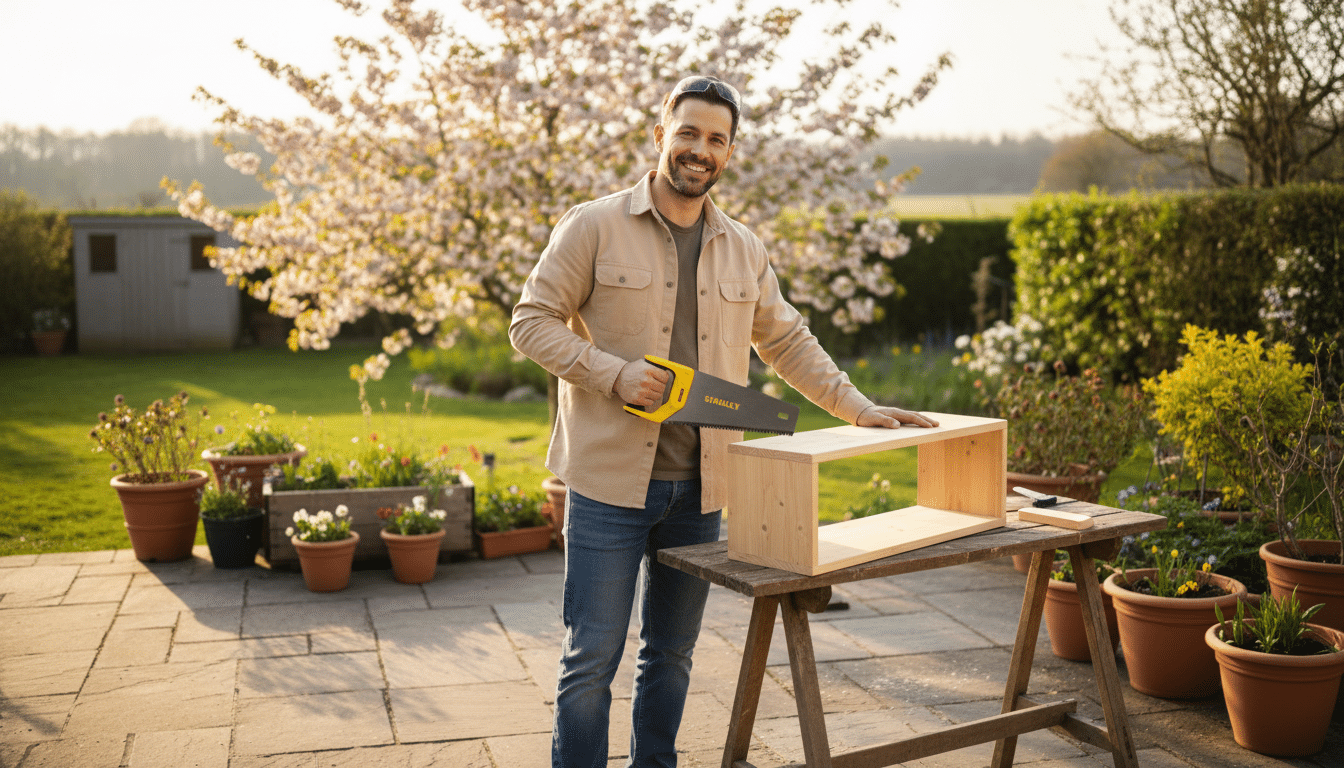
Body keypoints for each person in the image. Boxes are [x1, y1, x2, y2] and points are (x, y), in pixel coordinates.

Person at [509, 74, 938, 768]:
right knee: (590, 659)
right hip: (607, 487)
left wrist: (857, 407)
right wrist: (614, 374)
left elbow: (787, 341)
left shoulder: (743, 247)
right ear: (661, 136)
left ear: (730, 152)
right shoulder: (593, 225)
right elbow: (530, 322)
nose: (699, 150)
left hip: (700, 492)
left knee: (672, 655)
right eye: (688, 133)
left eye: (716, 139)